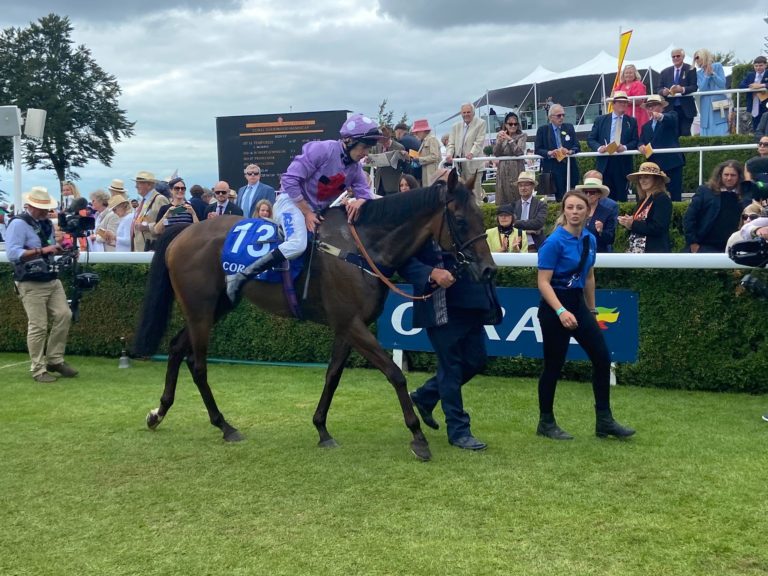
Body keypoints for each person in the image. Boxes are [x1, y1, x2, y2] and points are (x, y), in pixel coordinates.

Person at [226, 113, 383, 302]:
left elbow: (365, 194)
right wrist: (306, 211)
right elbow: (290, 180)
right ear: (349, 140)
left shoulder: (355, 168)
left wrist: (362, 201)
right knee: (298, 244)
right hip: (291, 201)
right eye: (364, 147)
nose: (366, 152)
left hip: (316, 210)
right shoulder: (321, 150)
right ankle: (241, 276)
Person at [536, 189, 634, 440]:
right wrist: (560, 311)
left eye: (579, 208)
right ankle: (546, 422)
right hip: (554, 307)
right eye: (570, 208)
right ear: (564, 211)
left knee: (602, 359)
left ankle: (604, 421)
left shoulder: (590, 239)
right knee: (553, 367)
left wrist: (591, 309)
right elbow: (543, 282)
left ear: (588, 211)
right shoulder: (554, 242)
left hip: (578, 304)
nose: (575, 212)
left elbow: (589, 276)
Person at [402, 237, 503, 451]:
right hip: (442, 304)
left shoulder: (466, 215)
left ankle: (425, 396)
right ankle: (459, 431)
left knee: (476, 361)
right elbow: (399, 260)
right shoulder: (421, 217)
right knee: (451, 368)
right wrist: (431, 273)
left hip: (474, 301)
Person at [5, 186, 78, 383]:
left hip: (51, 277)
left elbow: (50, 249)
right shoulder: (18, 224)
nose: (45, 212)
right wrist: (42, 250)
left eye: (46, 208)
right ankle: (38, 369)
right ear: (30, 206)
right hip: (30, 281)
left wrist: (63, 251)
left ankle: (54, 359)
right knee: (38, 325)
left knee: (65, 315)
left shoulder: (45, 223)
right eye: (41, 208)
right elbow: (13, 253)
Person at [683, 160, 748, 253]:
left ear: (739, 177)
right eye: (726, 175)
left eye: (733, 175)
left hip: (735, 247)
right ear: (720, 175)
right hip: (705, 246)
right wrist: (693, 243)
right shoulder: (704, 191)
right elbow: (689, 218)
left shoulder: (746, 195)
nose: (729, 178)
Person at [587, 91, 639, 202]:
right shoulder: (601, 120)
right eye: (620, 102)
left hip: (622, 162)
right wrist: (599, 148)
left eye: (625, 102)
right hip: (605, 162)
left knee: (621, 196)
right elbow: (591, 139)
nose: (623, 105)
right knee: (604, 196)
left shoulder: (632, 121)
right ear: (613, 104)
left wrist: (624, 147)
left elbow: (635, 141)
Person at [638, 95, 685, 201]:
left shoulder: (671, 115)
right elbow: (641, 140)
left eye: (654, 105)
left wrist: (660, 116)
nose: (651, 109)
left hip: (672, 164)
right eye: (649, 106)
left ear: (661, 107)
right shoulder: (646, 126)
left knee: (675, 195)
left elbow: (672, 119)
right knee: (655, 195)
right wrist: (640, 146)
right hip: (655, 166)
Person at [618, 162, 673, 253]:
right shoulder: (642, 200)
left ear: (656, 180)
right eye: (640, 177)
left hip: (654, 253)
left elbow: (658, 228)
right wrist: (628, 223)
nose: (642, 181)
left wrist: (633, 224)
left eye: (646, 177)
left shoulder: (662, 199)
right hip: (637, 251)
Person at [535, 104, 580, 201]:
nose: (562, 117)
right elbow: (538, 149)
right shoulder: (543, 130)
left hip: (569, 166)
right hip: (553, 168)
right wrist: (550, 153)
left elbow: (577, 146)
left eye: (563, 115)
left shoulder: (569, 127)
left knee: (572, 196)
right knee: (559, 198)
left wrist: (570, 151)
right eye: (559, 115)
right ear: (551, 117)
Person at [445, 103, 487, 205]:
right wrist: (449, 154)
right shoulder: (455, 126)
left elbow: (479, 142)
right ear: (461, 114)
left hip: (474, 165)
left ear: (473, 113)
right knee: (462, 194)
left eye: (468, 112)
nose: (466, 114)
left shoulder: (481, 123)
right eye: (464, 112)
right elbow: (451, 143)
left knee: (476, 194)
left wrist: (472, 153)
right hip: (460, 166)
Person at [658, 48, 698, 137]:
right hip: (670, 109)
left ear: (683, 56)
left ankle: (687, 151)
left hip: (686, 108)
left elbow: (694, 87)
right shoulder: (664, 72)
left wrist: (682, 89)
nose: (675, 58)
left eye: (678, 56)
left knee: (685, 133)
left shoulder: (690, 69)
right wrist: (663, 92)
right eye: (673, 56)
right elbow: (659, 89)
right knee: (673, 134)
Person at [575, 174, 618, 252]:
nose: (588, 195)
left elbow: (611, 239)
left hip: (599, 255)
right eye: (585, 192)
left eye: (592, 192)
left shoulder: (607, 213)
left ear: (599, 194)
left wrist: (601, 231)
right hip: (577, 253)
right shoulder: (576, 211)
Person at [493, 112, 527, 204]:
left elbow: (519, 151)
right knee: (502, 194)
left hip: (516, 168)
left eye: (515, 124)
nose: (513, 126)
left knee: (516, 194)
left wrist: (510, 140)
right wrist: (499, 141)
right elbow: (496, 153)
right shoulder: (501, 136)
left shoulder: (522, 136)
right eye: (510, 124)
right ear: (505, 125)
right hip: (503, 169)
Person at [693, 49, 729, 137]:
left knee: (721, 124)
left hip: (719, 101)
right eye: (695, 58)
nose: (696, 60)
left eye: (698, 57)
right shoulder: (698, 73)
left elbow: (722, 84)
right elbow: (702, 88)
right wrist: (706, 76)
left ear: (704, 56)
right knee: (706, 125)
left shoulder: (718, 66)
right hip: (705, 102)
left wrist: (713, 74)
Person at [131, 171, 169, 252]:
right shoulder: (143, 200)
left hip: (151, 249)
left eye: (139, 183)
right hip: (141, 249)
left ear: (149, 185)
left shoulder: (159, 199)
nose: (136, 186)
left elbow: (167, 222)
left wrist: (148, 227)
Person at [512, 172, 548, 252]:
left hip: (534, 245)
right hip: (515, 245)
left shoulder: (541, 205)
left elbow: (538, 223)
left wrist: (516, 223)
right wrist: (528, 230)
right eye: (520, 185)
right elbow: (509, 225)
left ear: (533, 187)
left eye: (526, 185)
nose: (523, 188)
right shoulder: (513, 206)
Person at [370, 125, 407, 196]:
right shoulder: (377, 146)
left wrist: (404, 157)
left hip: (392, 183)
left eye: (385, 142)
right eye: (381, 143)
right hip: (379, 182)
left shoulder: (399, 147)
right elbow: (373, 159)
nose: (384, 145)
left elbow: (404, 165)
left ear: (389, 138)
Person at [615, 64, 649, 135]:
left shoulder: (638, 84)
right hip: (623, 112)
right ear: (623, 74)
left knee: (637, 133)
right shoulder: (620, 85)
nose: (628, 75)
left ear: (635, 74)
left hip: (637, 113)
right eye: (626, 73)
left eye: (630, 73)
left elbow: (639, 100)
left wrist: (625, 102)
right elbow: (614, 96)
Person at [738, 56, 768, 132]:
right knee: (755, 128)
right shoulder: (750, 75)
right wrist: (751, 86)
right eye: (756, 66)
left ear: (765, 65)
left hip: (765, 106)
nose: (758, 68)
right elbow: (741, 85)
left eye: (761, 65)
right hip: (753, 105)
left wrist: (762, 85)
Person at [411, 119, 442, 186]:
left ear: (423, 131)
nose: (415, 134)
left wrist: (419, 159)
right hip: (428, 173)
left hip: (432, 173)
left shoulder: (431, 139)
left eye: (417, 132)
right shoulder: (425, 140)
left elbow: (435, 156)